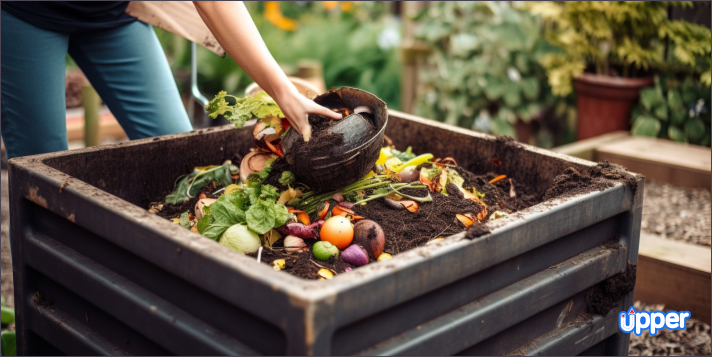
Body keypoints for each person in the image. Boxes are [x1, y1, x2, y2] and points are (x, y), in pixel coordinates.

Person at [1, 1, 338, 161]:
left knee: (180, 153)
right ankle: (39, 298)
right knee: (40, 168)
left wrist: (284, 92)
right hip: (25, 14)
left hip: (111, 15)